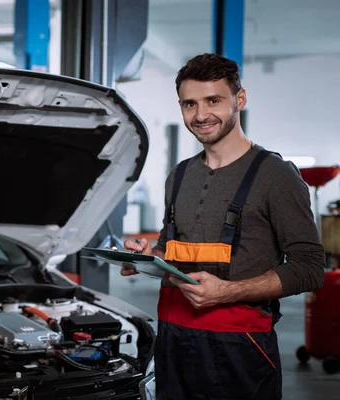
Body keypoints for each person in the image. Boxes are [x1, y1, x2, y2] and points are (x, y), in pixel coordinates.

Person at [121, 53, 325, 399]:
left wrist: (226, 292)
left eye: (213, 100)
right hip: (172, 337)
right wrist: (148, 256)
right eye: (189, 104)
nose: (200, 115)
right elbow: (170, 248)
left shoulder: (276, 176)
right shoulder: (180, 175)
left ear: (239, 100)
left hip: (239, 346)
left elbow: (309, 269)